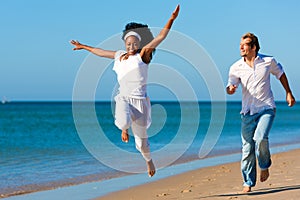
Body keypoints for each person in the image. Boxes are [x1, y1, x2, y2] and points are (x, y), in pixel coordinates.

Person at [70, 5, 180, 177]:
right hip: (125, 99)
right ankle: (124, 127)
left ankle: (148, 160)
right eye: (128, 43)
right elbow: (100, 52)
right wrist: (83, 46)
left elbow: (161, 37)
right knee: (122, 116)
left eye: (135, 43)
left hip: (141, 103)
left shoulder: (143, 55)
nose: (131, 46)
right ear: (124, 43)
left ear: (139, 43)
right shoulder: (119, 55)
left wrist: (171, 19)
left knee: (142, 144)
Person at [226, 32, 296, 193]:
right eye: (240, 45)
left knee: (260, 138)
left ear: (254, 47)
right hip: (247, 112)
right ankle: (248, 182)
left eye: (245, 44)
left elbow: (280, 74)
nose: (241, 47)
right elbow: (231, 85)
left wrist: (288, 93)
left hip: (266, 108)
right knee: (247, 148)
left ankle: (264, 165)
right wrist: (230, 89)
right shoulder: (236, 67)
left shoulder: (268, 61)